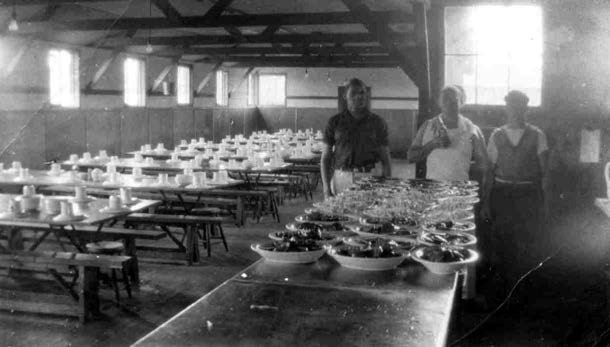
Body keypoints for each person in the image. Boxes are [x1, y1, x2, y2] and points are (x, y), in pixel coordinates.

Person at [481, 90, 549, 305]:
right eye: (511, 106)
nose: (515, 110)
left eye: (519, 106)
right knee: (501, 241)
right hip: (502, 194)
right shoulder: (497, 135)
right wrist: (485, 201)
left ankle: (523, 294)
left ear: (525, 109)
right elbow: (489, 171)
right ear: (506, 108)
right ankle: (502, 293)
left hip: (527, 195)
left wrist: (545, 201)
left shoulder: (537, 135)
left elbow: (545, 172)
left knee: (526, 241)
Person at [320, 78, 392, 198]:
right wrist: (326, 188)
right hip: (341, 177)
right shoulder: (335, 122)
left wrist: (385, 187)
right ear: (345, 96)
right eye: (353, 93)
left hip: (369, 178)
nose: (359, 97)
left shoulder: (377, 122)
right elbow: (325, 158)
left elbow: (386, 160)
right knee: (339, 215)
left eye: (362, 93)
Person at [408, 85, 488, 181]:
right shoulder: (428, 126)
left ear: (461, 103)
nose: (449, 103)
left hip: (459, 189)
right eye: (445, 99)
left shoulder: (472, 130)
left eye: (454, 100)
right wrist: (433, 144)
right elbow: (411, 157)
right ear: (439, 102)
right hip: (434, 189)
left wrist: (462, 166)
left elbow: (484, 165)